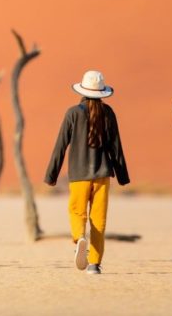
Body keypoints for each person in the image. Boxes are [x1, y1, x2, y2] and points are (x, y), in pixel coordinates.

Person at [44, 70, 130, 275]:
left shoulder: (73, 113)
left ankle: (79, 237)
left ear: (82, 91)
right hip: (102, 176)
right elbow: (116, 147)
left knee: (77, 212)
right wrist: (122, 175)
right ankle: (94, 264)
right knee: (98, 220)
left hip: (79, 175)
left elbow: (61, 145)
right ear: (102, 93)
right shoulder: (108, 113)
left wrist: (51, 174)